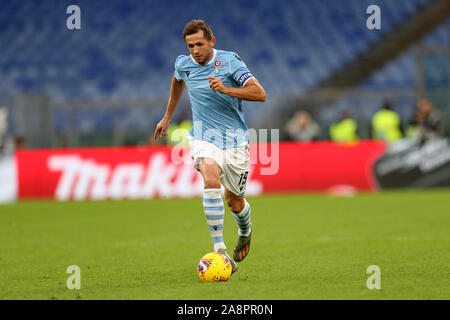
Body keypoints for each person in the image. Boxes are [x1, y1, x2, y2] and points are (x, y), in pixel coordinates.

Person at [153, 20, 266, 275]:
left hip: (236, 142)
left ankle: (245, 231)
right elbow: (177, 81)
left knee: (235, 202)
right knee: (210, 176)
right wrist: (167, 116)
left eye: (199, 44)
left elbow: (259, 94)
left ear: (211, 42)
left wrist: (226, 89)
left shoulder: (229, 62)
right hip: (204, 137)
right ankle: (220, 251)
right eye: (190, 45)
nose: (195, 50)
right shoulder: (183, 64)